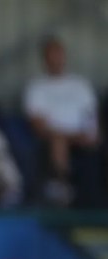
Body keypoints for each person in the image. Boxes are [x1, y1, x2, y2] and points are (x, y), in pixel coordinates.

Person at [23, 36, 101, 207]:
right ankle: (62, 187)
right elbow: (37, 124)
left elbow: (91, 116)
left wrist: (92, 135)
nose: (55, 60)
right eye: (51, 56)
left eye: (58, 54)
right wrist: (62, 135)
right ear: (44, 60)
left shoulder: (80, 85)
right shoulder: (37, 87)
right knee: (59, 141)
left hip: (81, 136)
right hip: (54, 137)